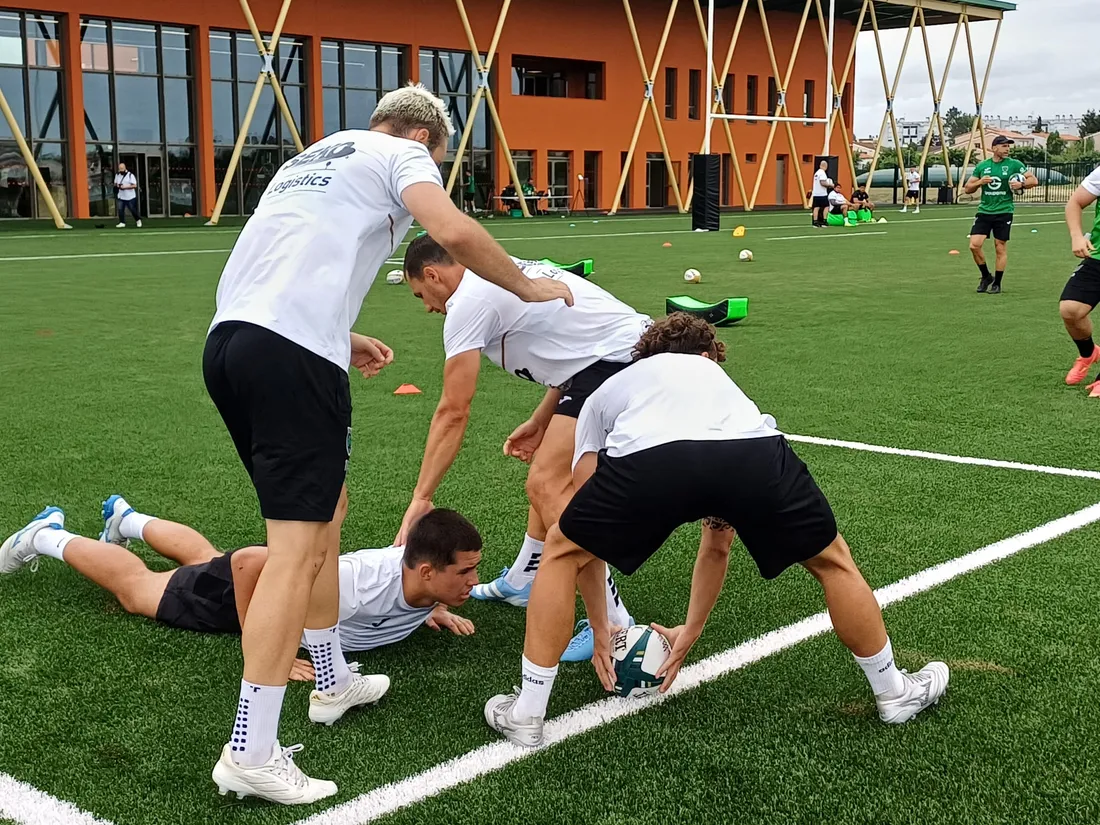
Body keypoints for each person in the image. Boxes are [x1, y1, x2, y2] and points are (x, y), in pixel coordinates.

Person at [201, 83, 573, 804]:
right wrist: (526, 284)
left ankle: (334, 679)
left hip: (234, 344)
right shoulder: (405, 153)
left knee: (325, 515)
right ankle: (251, 747)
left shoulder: (312, 157)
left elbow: (274, 270)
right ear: (423, 137)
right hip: (291, 357)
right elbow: (454, 230)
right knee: (295, 552)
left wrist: (337, 338)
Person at [483, 313, 949, 748]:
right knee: (832, 563)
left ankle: (528, 712)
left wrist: (602, 625)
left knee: (562, 551)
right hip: (752, 453)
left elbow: (583, 533)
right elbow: (717, 544)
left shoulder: (611, 387)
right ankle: (893, 692)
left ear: (642, 357)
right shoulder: (723, 384)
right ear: (709, 356)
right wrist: (693, 629)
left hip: (651, 459)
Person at [398, 235, 652, 662]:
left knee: (547, 484)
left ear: (432, 274)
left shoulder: (469, 300)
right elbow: (569, 345)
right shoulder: (496, 273)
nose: (427, 305)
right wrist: (540, 420)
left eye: (422, 294)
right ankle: (524, 578)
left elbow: (453, 410)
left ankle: (610, 619)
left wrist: (421, 496)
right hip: (608, 360)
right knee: (547, 474)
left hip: (622, 361)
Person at [0, 500, 480, 690]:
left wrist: (432, 605)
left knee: (203, 557)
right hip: (243, 590)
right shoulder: (355, 585)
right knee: (138, 590)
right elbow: (250, 563)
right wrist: (265, 645)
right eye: (465, 573)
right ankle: (44, 536)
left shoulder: (420, 586)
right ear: (423, 570)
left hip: (261, 582)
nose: (473, 583)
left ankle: (125, 519)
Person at [963, 135, 1038, 294]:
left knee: (1000, 247)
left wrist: (1022, 183)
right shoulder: (983, 166)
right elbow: (968, 188)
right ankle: (986, 276)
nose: (1007, 149)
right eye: (1004, 146)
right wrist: (980, 182)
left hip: (1004, 211)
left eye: (1008, 146)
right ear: (994, 148)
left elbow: (1034, 180)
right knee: (974, 245)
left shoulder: (1014, 165)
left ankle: (997, 283)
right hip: (984, 211)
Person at [1059, 163, 1100, 393]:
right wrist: (1076, 236)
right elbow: (1075, 202)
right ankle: (1088, 353)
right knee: (1070, 310)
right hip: (1098, 254)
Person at [114, 162, 140, 228]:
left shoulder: (130, 175)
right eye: (120, 169)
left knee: (132, 209)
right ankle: (122, 222)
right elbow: (115, 183)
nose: (121, 170)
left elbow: (134, 185)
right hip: (121, 196)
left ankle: (138, 220)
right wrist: (118, 186)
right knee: (120, 209)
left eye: (122, 169)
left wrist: (125, 187)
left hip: (130, 196)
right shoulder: (117, 175)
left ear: (125, 168)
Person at [811, 160, 830, 228]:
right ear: (826, 166)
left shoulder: (817, 173)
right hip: (822, 193)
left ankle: (815, 222)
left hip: (816, 193)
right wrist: (830, 185)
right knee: (826, 206)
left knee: (816, 207)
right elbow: (822, 183)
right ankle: (824, 220)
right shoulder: (822, 173)